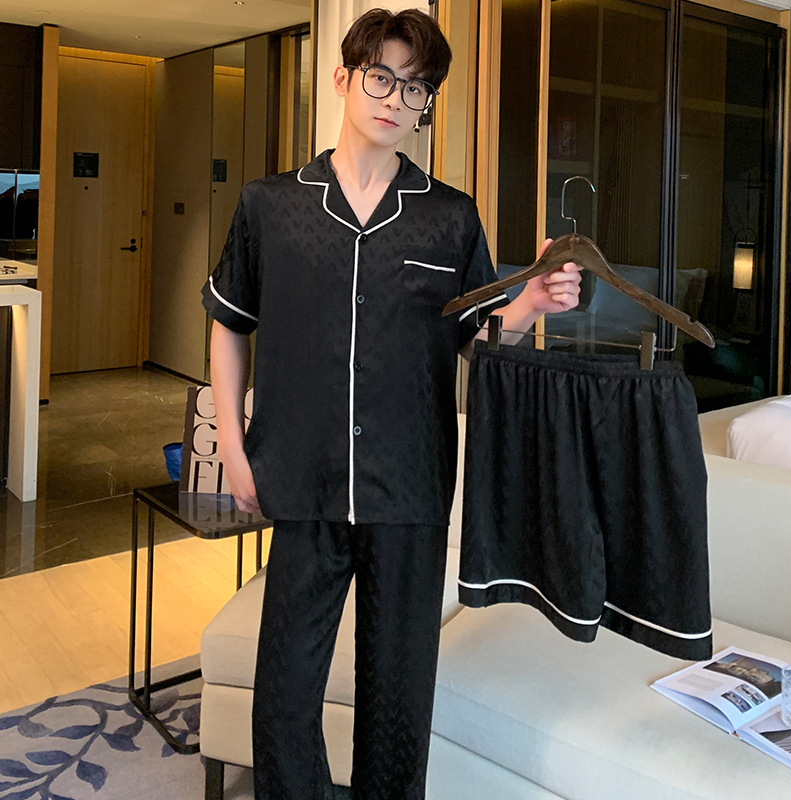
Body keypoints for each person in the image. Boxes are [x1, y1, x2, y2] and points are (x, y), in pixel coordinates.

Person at [202, 9, 581, 800]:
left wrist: (531, 302)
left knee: (398, 703)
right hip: (302, 481)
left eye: (415, 88)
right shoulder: (270, 205)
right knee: (283, 699)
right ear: (343, 78)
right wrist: (234, 448)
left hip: (408, 487)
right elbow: (230, 323)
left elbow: (478, 341)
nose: (395, 99)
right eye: (381, 77)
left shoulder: (450, 216)